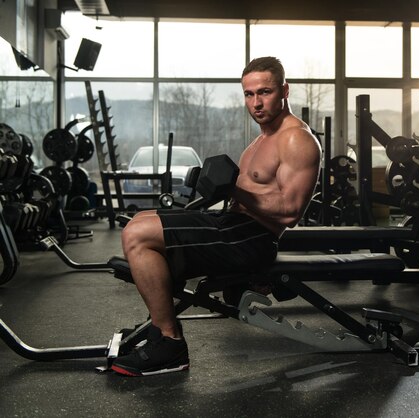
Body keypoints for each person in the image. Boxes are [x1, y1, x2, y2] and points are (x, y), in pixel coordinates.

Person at [111, 56, 322, 376]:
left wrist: (233, 191)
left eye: (264, 92)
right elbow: (240, 196)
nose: (256, 103)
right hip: (232, 226)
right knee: (140, 221)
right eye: (249, 94)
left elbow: (291, 211)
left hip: (254, 237)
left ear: (285, 90)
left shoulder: (296, 138)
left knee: (138, 235)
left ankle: (169, 344)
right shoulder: (258, 142)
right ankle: (158, 328)